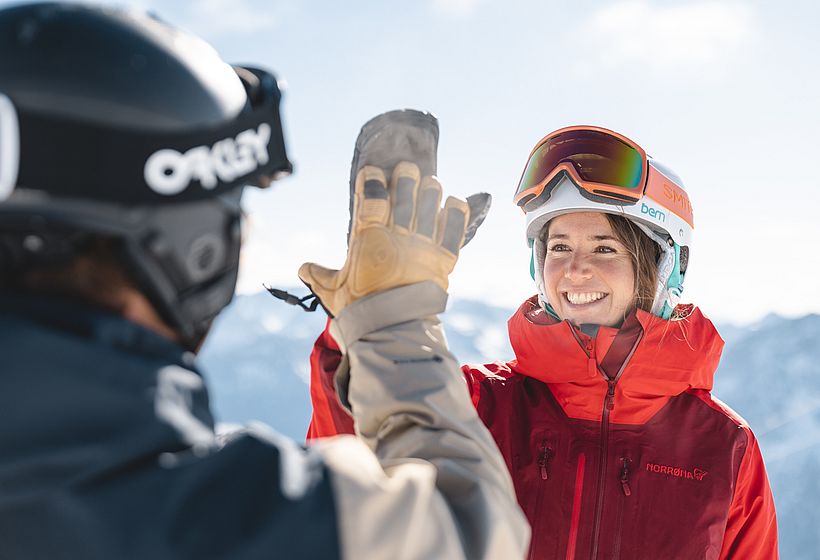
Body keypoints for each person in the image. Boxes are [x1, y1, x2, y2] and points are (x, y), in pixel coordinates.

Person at [0, 3, 529, 559]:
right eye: (233, 210)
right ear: (195, 252)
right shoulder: (212, 518)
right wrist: (393, 321)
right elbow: (471, 525)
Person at [308, 126, 779, 558]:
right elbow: (348, 480)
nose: (575, 269)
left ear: (663, 266)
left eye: (604, 247)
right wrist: (367, 331)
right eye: (558, 247)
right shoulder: (475, 404)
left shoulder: (724, 447)